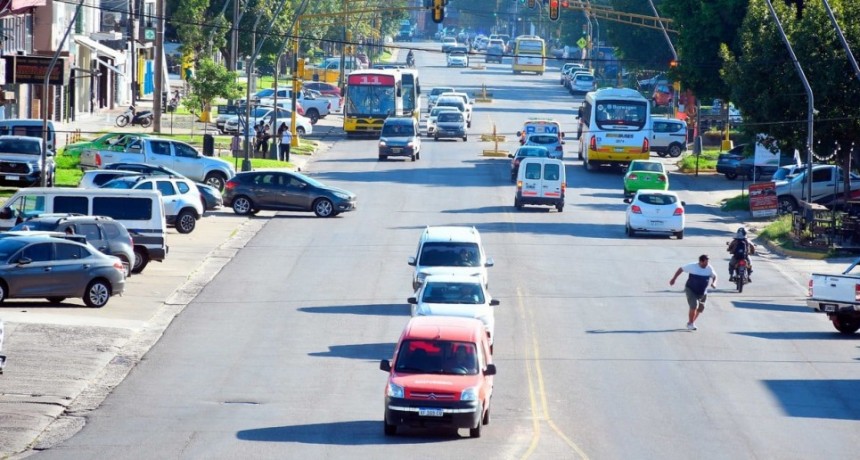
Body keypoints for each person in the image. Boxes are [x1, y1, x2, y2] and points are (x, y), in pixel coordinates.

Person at [669, 254, 717, 331]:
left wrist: (714, 283)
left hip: (702, 291)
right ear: (700, 261)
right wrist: (674, 279)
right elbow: (681, 269)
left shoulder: (709, 268)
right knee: (694, 305)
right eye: (705, 262)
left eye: (707, 262)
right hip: (691, 289)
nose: (707, 264)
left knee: (700, 308)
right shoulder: (692, 266)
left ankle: (690, 323)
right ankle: (691, 323)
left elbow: (714, 276)